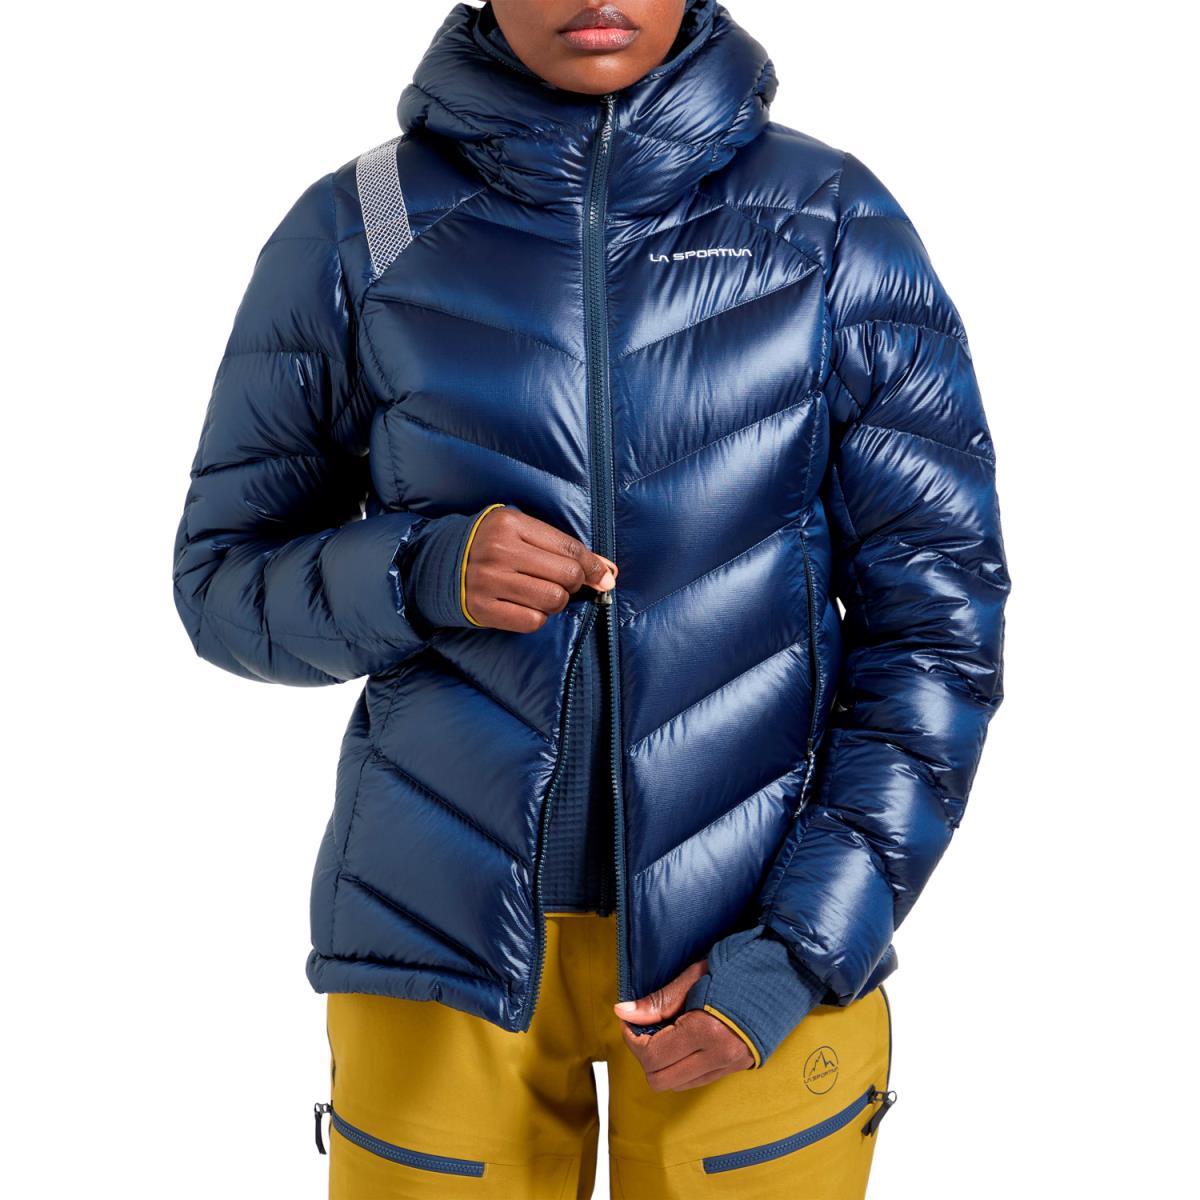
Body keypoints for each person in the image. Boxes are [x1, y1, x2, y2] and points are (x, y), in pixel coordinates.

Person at [171, 0, 1009, 1195]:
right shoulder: (366, 220)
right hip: (439, 948)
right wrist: (423, 572)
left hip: (752, 954)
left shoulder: (828, 221)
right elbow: (221, 581)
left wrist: (800, 949)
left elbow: (938, 633)